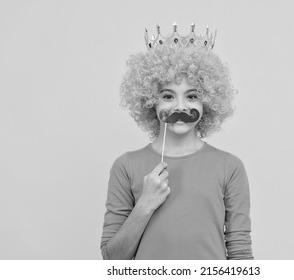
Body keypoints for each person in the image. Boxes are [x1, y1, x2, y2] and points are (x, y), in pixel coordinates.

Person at [100, 23, 253, 260]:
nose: (180, 106)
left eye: (192, 96)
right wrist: (145, 205)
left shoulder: (230, 167)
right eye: (168, 96)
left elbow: (240, 254)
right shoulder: (126, 166)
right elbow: (112, 260)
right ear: (151, 101)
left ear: (208, 102)